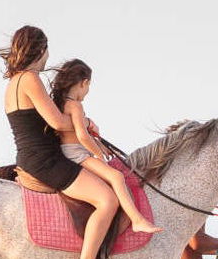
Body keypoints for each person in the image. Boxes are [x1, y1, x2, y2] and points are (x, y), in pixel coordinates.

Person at [0, 26, 116, 259]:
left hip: (32, 156)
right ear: (41, 50)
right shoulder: (30, 78)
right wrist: (86, 122)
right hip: (45, 160)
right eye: (47, 50)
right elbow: (58, 123)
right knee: (107, 200)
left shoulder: (13, 82)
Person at [48, 59, 161, 234]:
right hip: (77, 154)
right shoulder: (75, 105)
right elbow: (82, 136)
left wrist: (101, 146)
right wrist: (98, 155)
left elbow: (77, 135)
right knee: (116, 177)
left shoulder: (60, 103)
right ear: (84, 83)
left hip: (69, 151)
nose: (87, 92)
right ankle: (137, 220)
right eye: (88, 86)